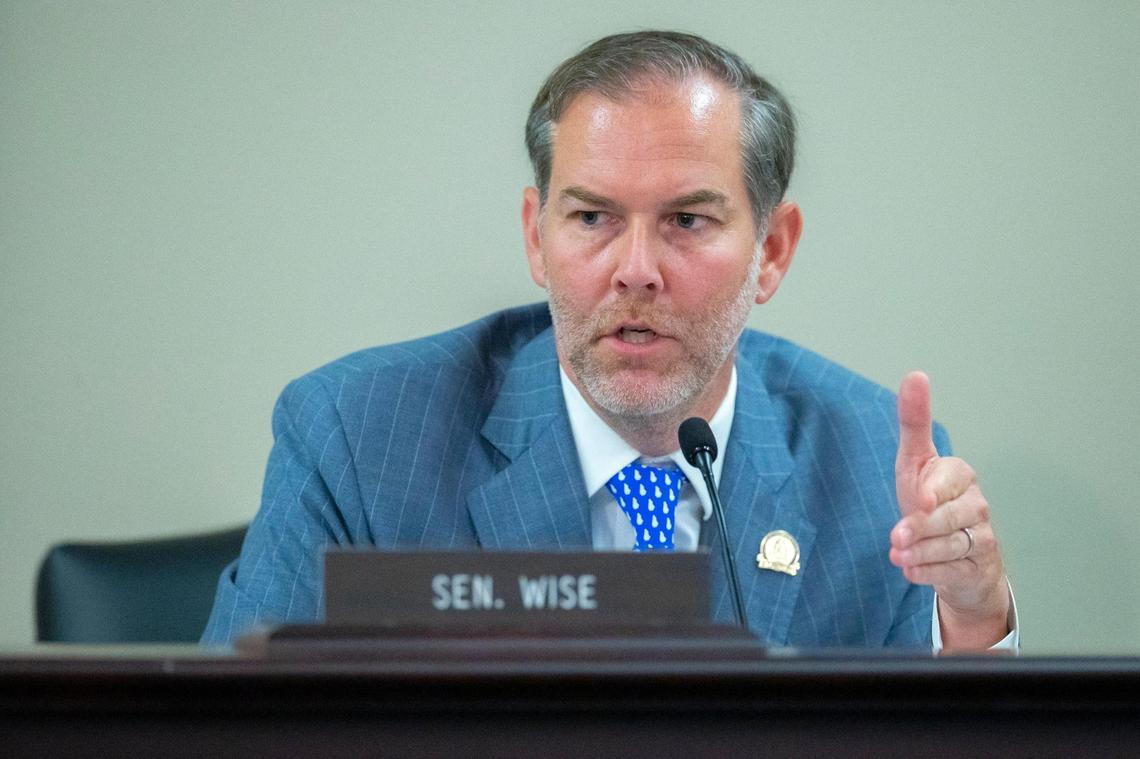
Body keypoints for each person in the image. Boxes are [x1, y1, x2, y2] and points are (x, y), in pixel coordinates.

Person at [202, 31, 1016, 650]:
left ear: (772, 250)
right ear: (536, 235)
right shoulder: (360, 437)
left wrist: (975, 619)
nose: (636, 271)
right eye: (592, 218)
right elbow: (235, 725)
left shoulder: (872, 461)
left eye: (687, 221)